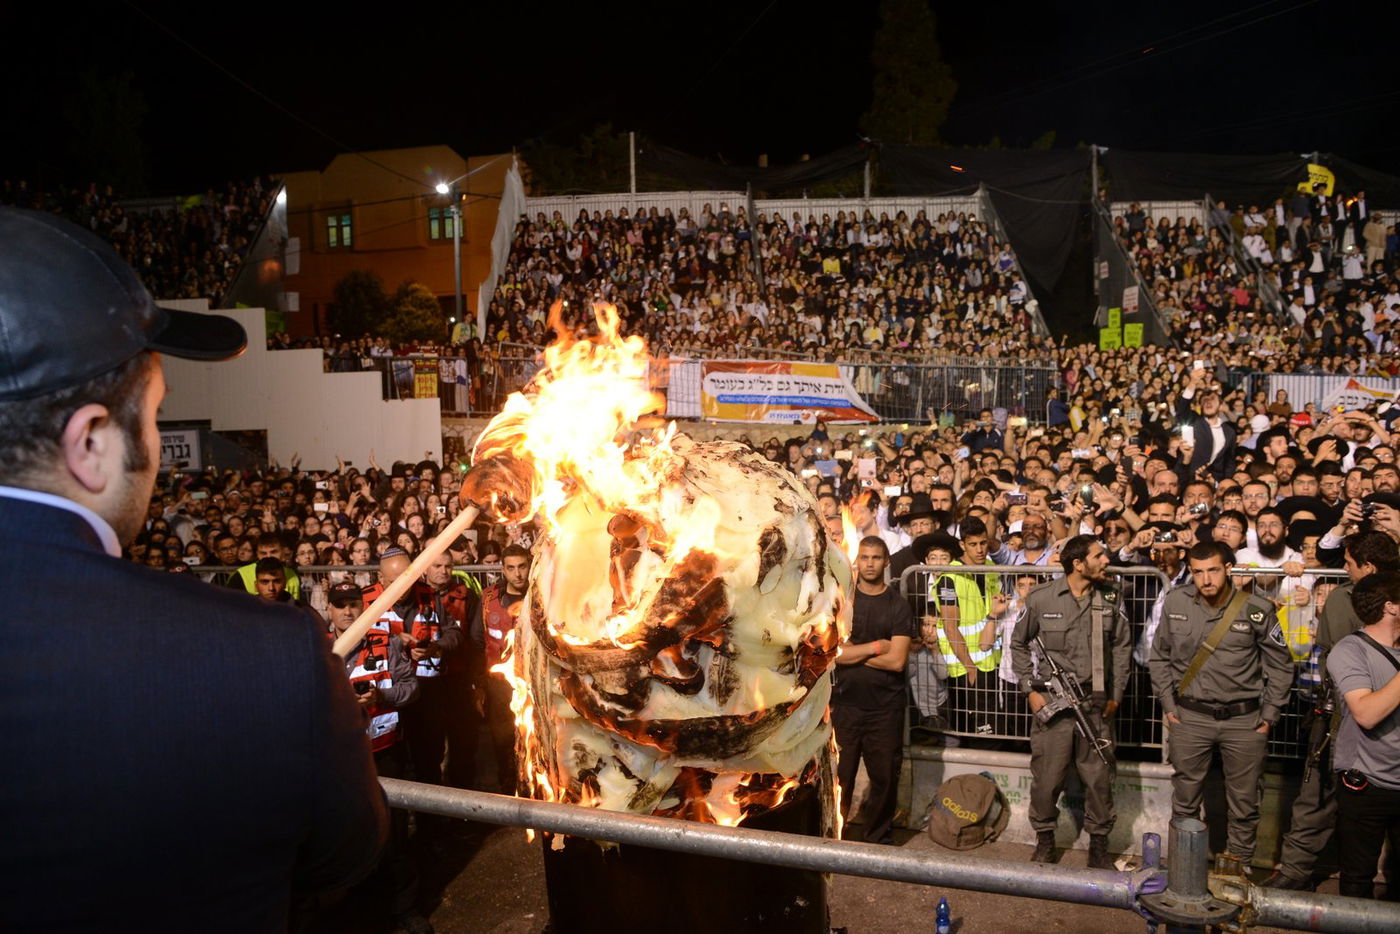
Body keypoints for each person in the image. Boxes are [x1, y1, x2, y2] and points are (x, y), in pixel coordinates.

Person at [0, 207, 386, 929]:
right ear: (90, 442)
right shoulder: (265, 659)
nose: (156, 447)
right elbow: (343, 854)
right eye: (153, 415)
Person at [1149, 541, 1293, 871]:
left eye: (1213, 570)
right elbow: (1159, 658)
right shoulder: (1176, 601)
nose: (1206, 579)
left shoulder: (1256, 608)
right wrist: (1168, 705)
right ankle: (1184, 869)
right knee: (1185, 800)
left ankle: (1237, 870)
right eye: (1198, 572)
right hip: (1190, 717)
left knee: (1245, 802)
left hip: (1244, 720)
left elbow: (1282, 666)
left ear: (1228, 569)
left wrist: (1269, 715)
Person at [1268, 529, 1400, 889]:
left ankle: (1295, 873)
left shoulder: (1349, 599)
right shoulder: (1350, 601)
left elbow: (1330, 650)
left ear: (1368, 566)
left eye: (1349, 562)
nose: (1344, 569)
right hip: (1349, 715)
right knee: (1322, 798)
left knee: (1318, 798)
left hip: (1345, 720)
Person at [1011, 536, 1131, 869]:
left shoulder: (1111, 596)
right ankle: (1045, 840)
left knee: (1099, 779)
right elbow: (1018, 644)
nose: (1105, 560)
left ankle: (1099, 846)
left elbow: (1122, 648)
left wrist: (1116, 695)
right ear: (1078, 564)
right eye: (1098, 556)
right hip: (1053, 702)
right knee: (1047, 778)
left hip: (1095, 702)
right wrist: (1030, 690)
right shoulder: (1041, 598)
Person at [831, 536, 914, 844]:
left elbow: (897, 661)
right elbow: (832, 654)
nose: (869, 563)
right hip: (844, 705)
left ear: (886, 561)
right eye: (864, 557)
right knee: (840, 778)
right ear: (857, 562)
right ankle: (833, 839)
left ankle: (877, 841)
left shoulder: (898, 606)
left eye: (876, 558)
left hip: (885, 708)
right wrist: (877, 646)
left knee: (884, 779)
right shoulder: (844, 602)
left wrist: (854, 651)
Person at [1325, 570, 1400, 899]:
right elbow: (1367, 713)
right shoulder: (1349, 651)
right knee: (1357, 879)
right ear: (1391, 607)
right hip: (1367, 783)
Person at [471, 543, 531, 794]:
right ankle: (507, 789)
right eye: (511, 568)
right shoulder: (489, 599)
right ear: (503, 570)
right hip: (499, 685)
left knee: (533, 738)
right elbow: (477, 639)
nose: (518, 574)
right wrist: (479, 683)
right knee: (503, 739)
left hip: (533, 682)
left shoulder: (540, 595)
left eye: (522, 567)